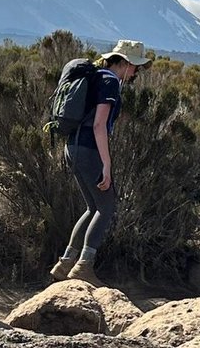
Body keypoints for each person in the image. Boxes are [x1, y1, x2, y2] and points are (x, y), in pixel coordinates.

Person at [49, 39, 153, 285]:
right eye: (135, 67)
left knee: (92, 207)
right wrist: (106, 164)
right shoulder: (109, 83)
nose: (136, 72)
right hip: (88, 149)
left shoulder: (96, 76)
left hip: (72, 147)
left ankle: (65, 263)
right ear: (125, 63)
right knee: (106, 207)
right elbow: (99, 125)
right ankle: (84, 266)